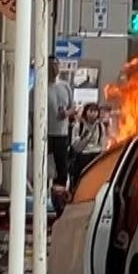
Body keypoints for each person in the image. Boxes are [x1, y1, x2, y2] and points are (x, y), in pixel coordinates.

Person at [48, 56, 75, 189]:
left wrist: (67, 113)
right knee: (46, 166)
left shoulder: (65, 86)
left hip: (62, 134)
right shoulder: (40, 88)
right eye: (51, 65)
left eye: (56, 64)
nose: (54, 68)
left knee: (61, 167)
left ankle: (60, 194)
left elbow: (73, 107)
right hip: (46, 134)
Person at [70, 103, 107, 188]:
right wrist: (85, 138)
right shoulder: (79, 126)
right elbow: (74, 145)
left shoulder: (100, 127)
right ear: (86, 112)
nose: (93, 113)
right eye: (90, 111)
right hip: (82, 157)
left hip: (96, 156)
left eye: (95, 111)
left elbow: (103, 143)